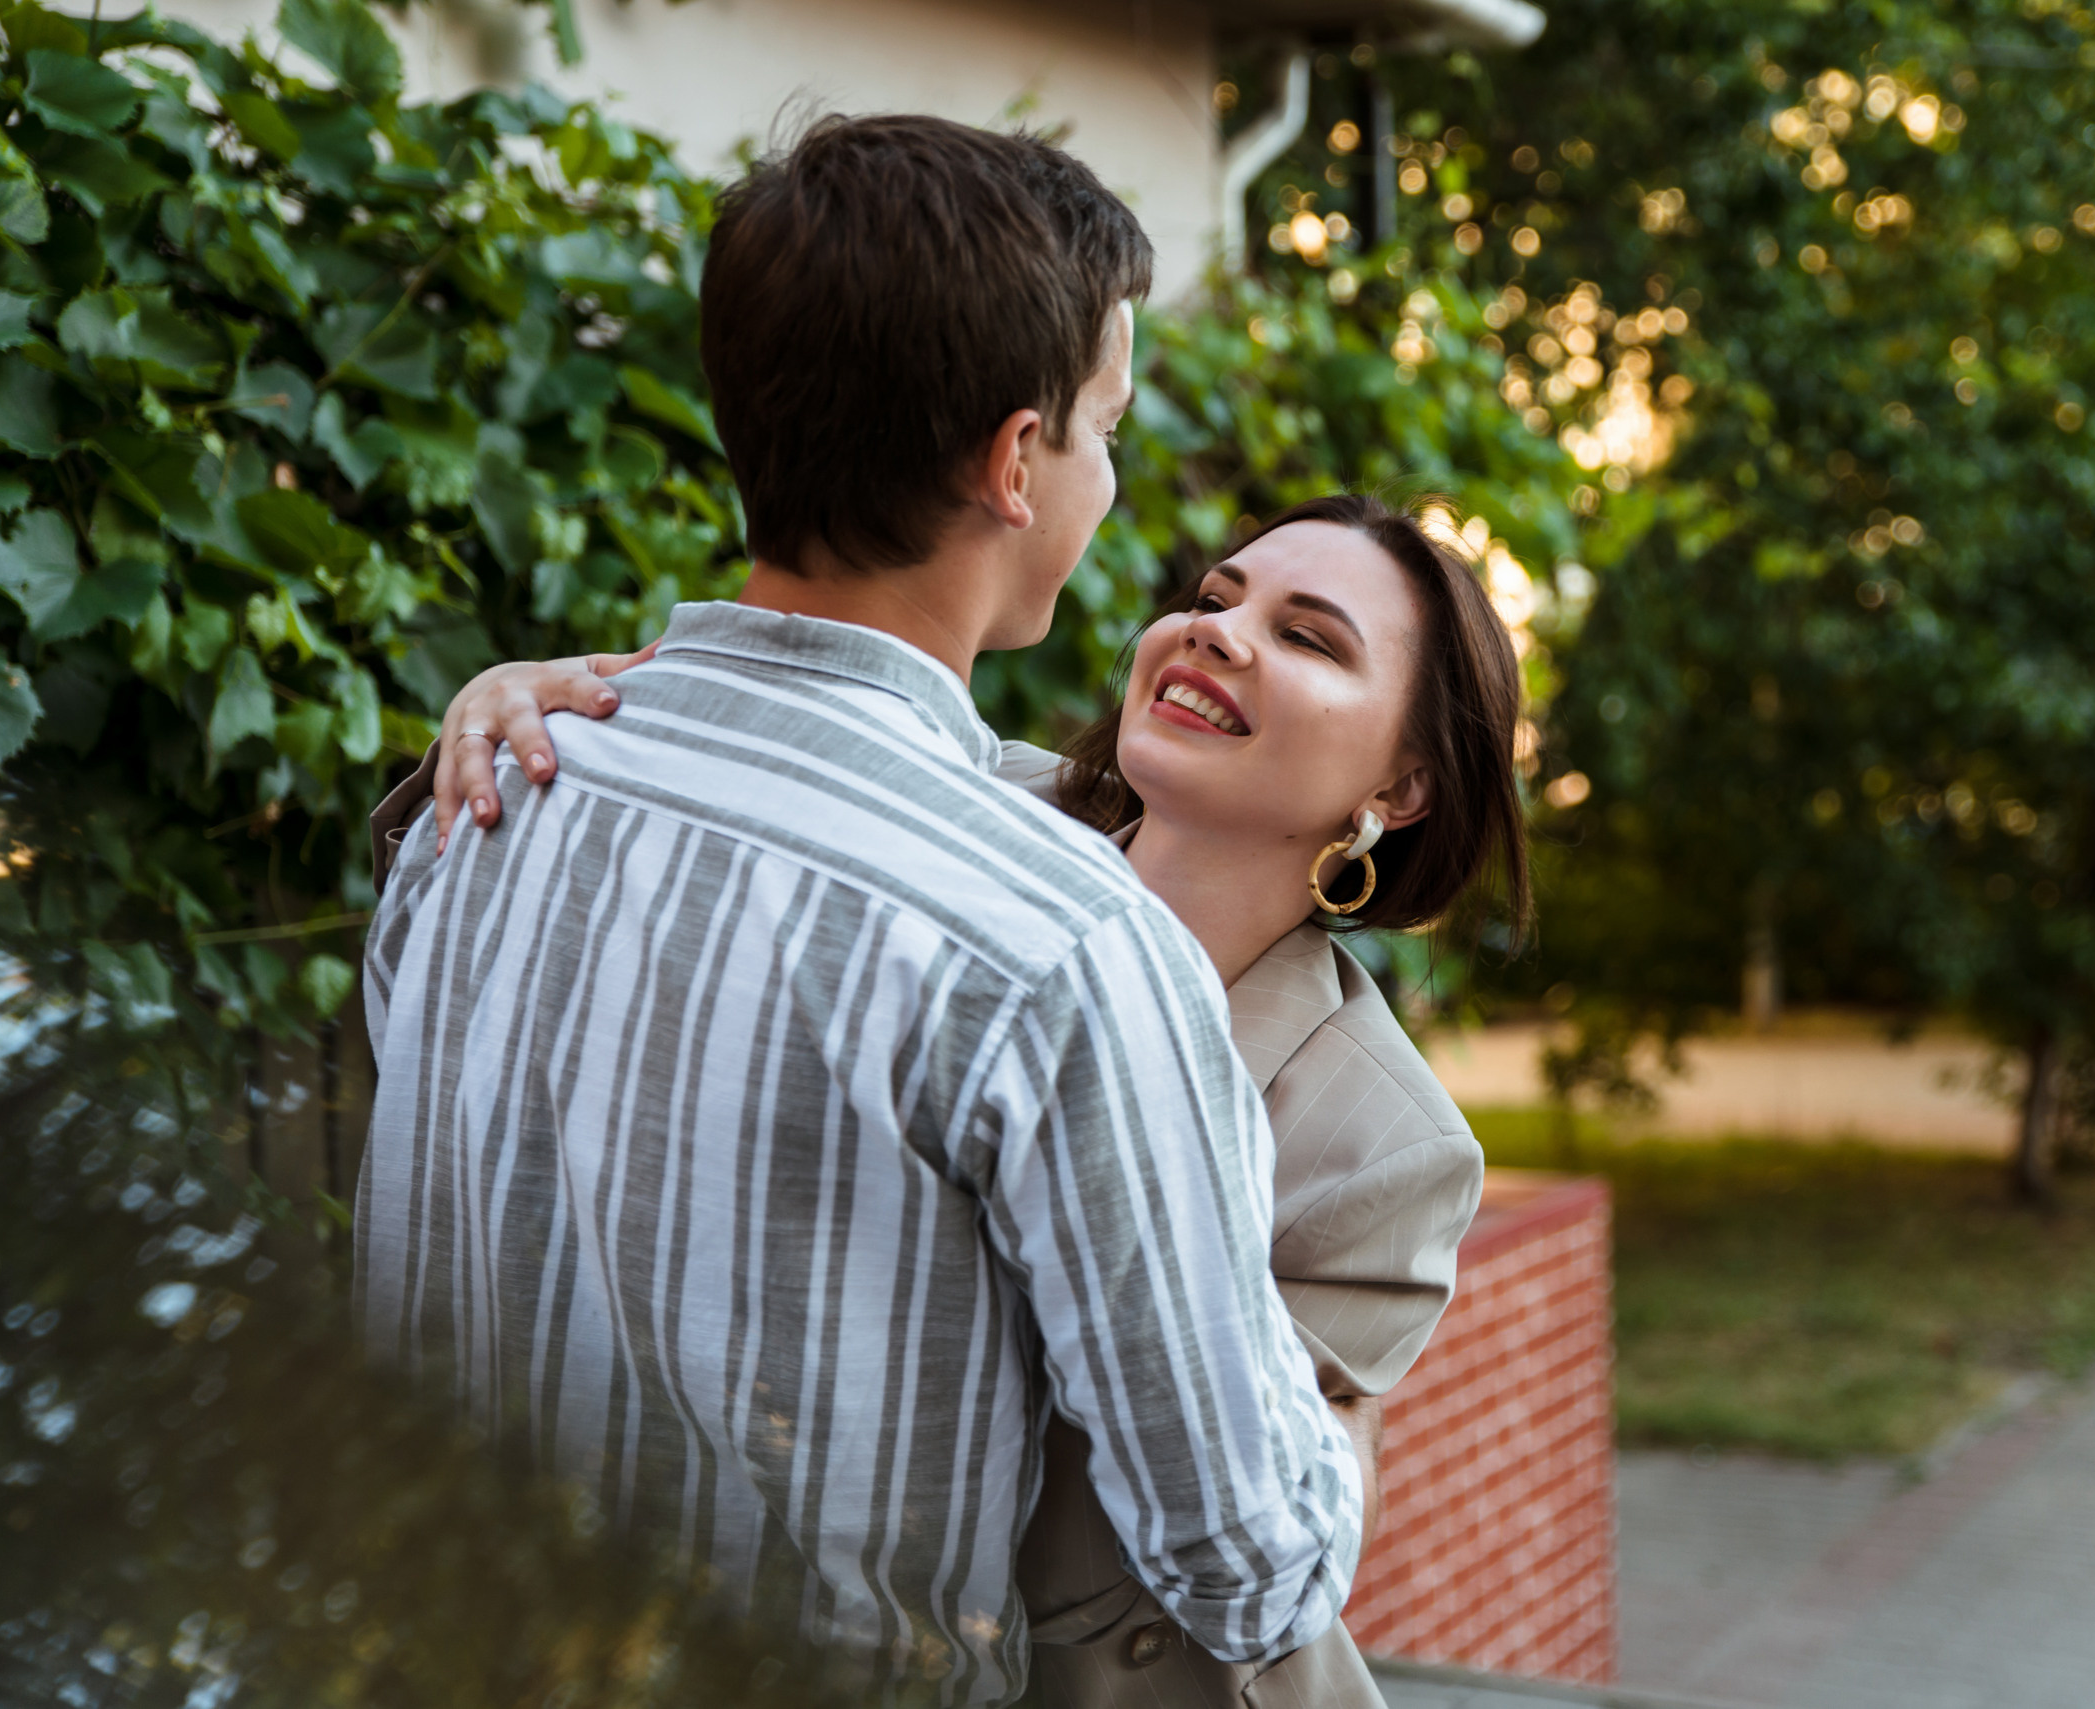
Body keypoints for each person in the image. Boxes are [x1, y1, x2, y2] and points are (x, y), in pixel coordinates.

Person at [353, 115, 1365, 1709]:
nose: (1111, 480)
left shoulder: (487, 794)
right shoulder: (1062, 949)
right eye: (1103, 429)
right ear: (1012, 462)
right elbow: (1255, 1566)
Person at [382, 492, 1532, 1707]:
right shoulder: (948, 809)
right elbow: (735, 753)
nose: (1218, 631)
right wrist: (518, 697)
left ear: (1400, 787)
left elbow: (1254, 1530)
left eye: (1308, 637)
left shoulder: (1385, 1149)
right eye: (1212, 597)